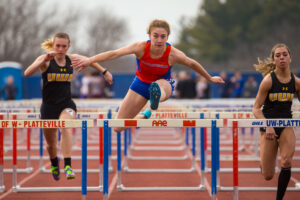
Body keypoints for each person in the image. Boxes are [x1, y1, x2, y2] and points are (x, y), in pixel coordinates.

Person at [72, 19, 224, 132]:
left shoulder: (173, 54)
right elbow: (114, 53)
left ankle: (154, 97)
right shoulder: (140, 47)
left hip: (164, 83)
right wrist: (89, 60)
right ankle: (145, 114)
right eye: (155, 36)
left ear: (168, 37)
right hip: (140, 84)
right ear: (149, 35)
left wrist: (209, 78)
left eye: (163, 36)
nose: (159, 40)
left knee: (157, 86)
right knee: (117, 127)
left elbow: (192, 64)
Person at [24, 32, 113, 181]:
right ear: (53, 46)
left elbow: (90, 61)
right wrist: (42, 61)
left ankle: (68, 165)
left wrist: (104, 72)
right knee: (51, 145)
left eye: (64, 46)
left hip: (66, 104)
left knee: (65, 125)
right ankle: (54, 163)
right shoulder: (45, 59)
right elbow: (27, 73)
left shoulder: (71, 59)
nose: (60, 49)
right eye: (57, 46)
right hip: (48, 106)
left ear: (68, 47)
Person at [252, 43, 300, 200]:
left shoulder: (296, 82)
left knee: (286, 161)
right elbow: (256, 108)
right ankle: (263, 163)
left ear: (290, 58)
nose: (282, 58)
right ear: (274, 59)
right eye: (278, 55)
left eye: (284, 54)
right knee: (267, 175)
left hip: (286, 125)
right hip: (269, 127)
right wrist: (268, 125)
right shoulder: (268, 81)